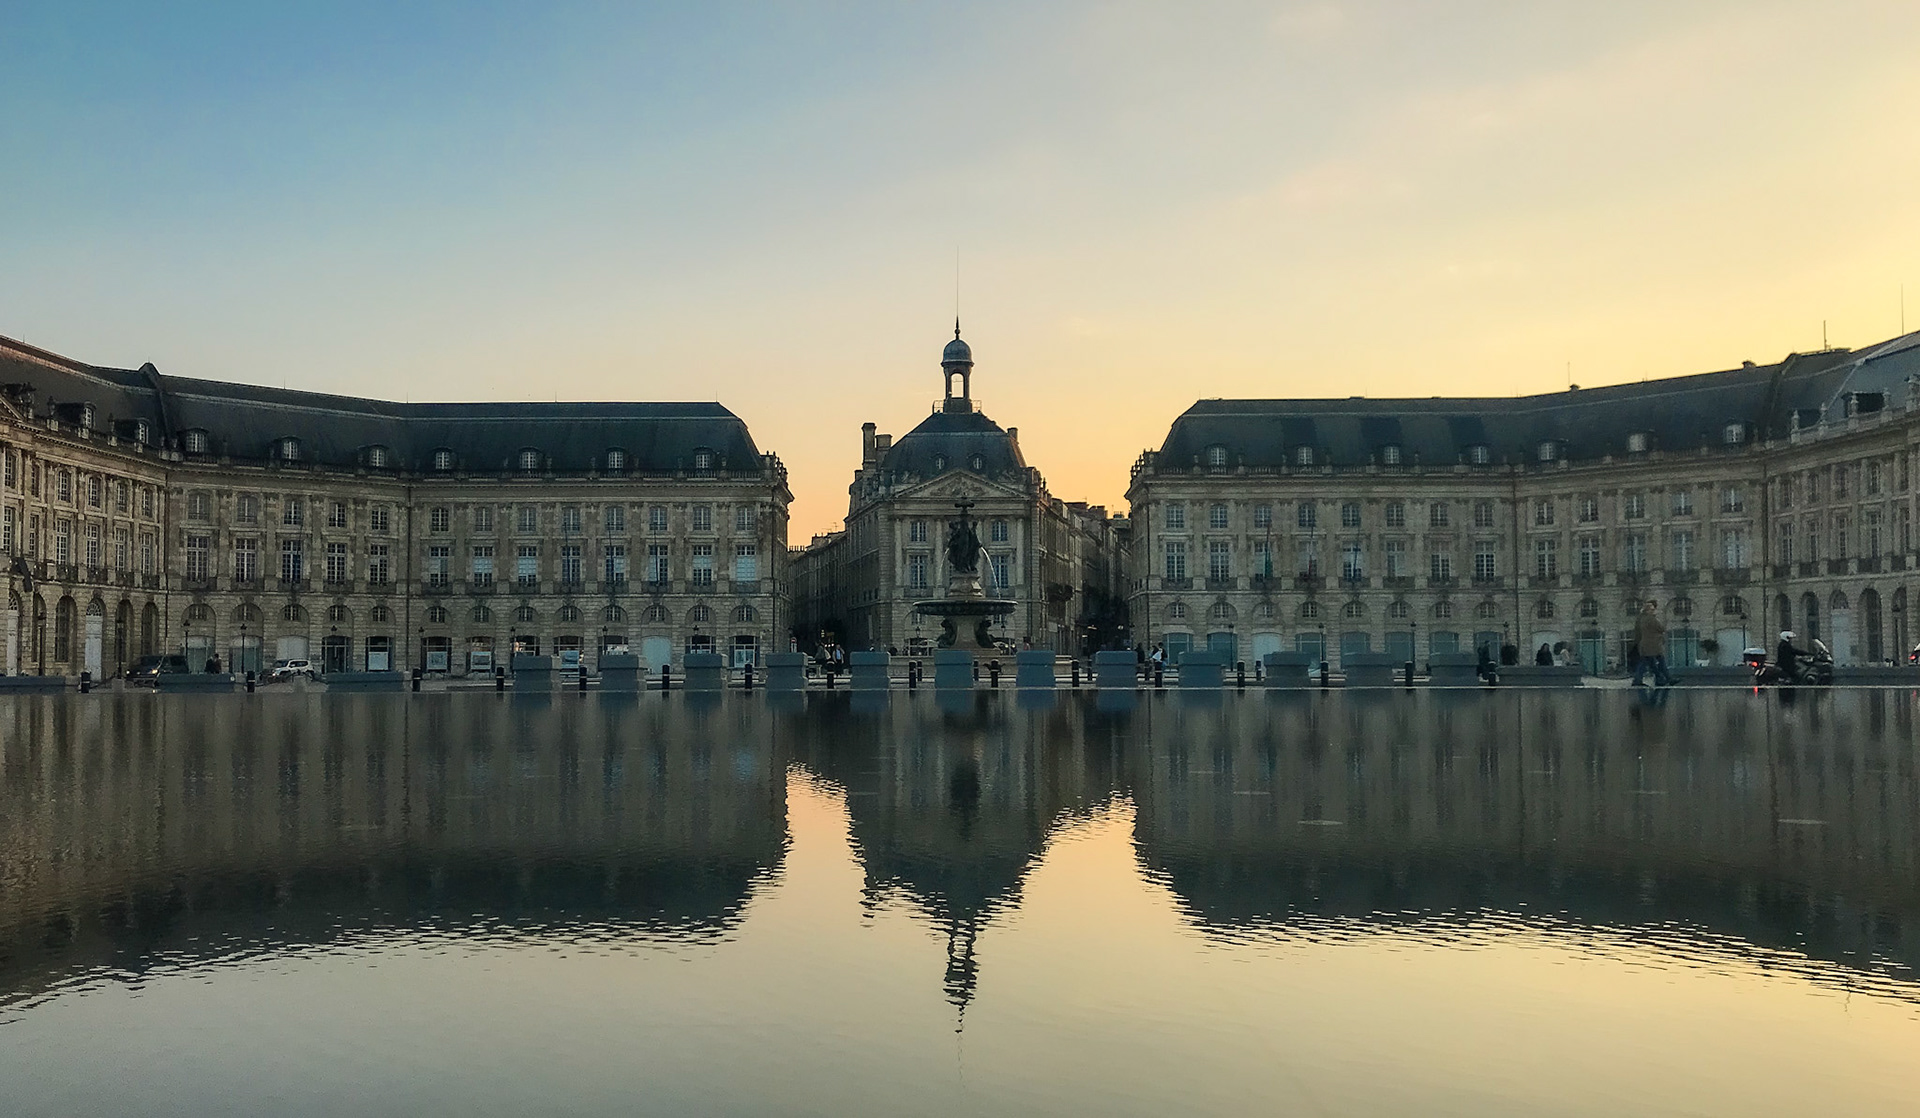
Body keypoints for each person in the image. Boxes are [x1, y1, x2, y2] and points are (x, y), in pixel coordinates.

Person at [1631, 601, 1672, 687]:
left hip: (1645, 645)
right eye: (1653, 609)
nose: (1654, 611)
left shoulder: (1641, 619)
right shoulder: (1651, 619)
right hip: (1653, 645)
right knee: (1660, 661)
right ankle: (1666, 679)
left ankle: (1659, 679)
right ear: (1648, 610)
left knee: (1648, 663)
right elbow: (1661, 628)